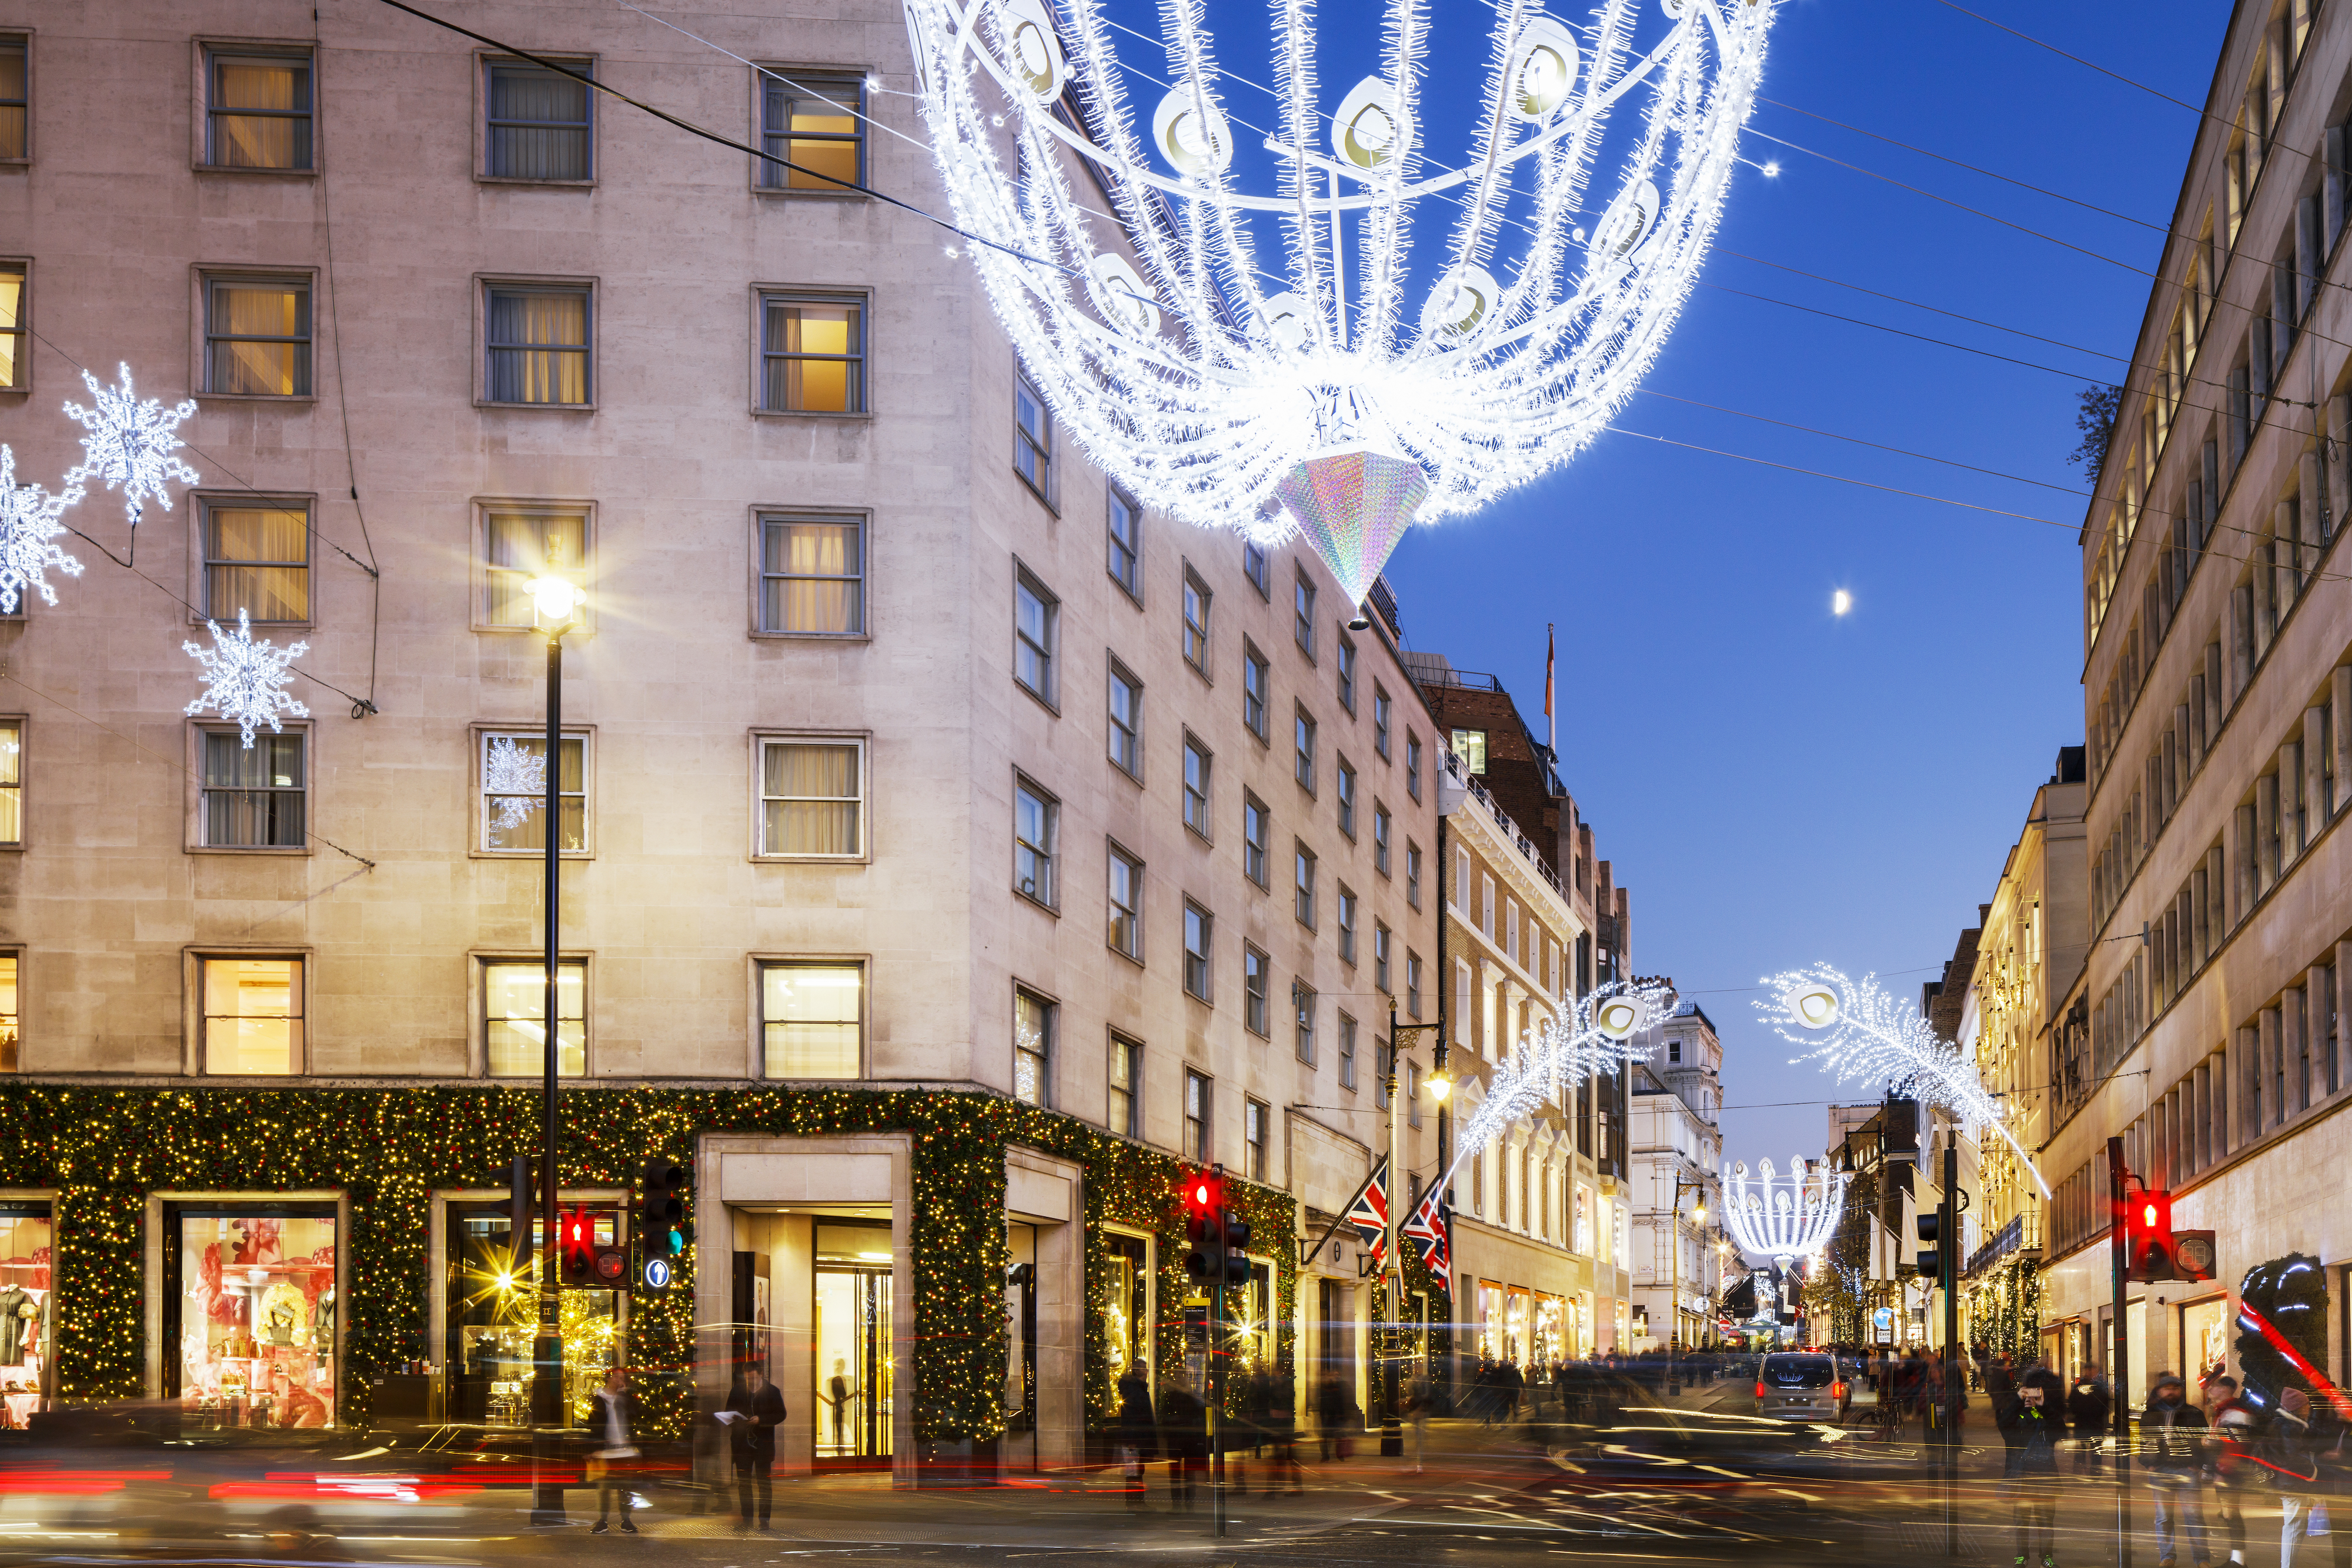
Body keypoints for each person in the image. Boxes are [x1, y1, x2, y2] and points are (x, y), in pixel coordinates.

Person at [2000, 1359, 2066, 1568]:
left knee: (2046, 1521)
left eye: (2035, 1392)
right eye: (2027, 1392)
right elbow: (2003, 1426)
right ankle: (2022, 1557)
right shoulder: (2016, 1415)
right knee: (2022, 1521)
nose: (2031, 1397)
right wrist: (2018, 1401)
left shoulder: (2047, 1416)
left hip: (2045, 1475)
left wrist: (2044, 1407)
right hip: (2021, 1476)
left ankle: (2046, 1557)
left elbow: (2061, 1431)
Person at [2143, 1372, 2212, 1568]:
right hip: (2161, 1470)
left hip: (2187, 1470)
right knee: (2164, 1517)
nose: (2171, 1392)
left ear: (2181, 1390)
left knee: (2194, 1517)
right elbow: (2143, 1442)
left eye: (2175, 1388)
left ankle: (2202, 1560)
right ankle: (2167, 1557)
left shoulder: (2193, 1413)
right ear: (2159, 1391)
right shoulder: (2151, 1415)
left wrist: (2198, 1464)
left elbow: (2204, 1441)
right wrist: (2149, 1463)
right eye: (2167, 1388)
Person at [2269, 1387, 2327, 1568]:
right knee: (2294, 1528)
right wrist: (2313, 1473)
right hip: (2292, 1483)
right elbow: (2292, 1459)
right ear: (2297, 1407)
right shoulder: (2290, 1428)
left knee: (2295, 1527)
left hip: (2288, 1482)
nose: (2308, 1407)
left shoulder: (2288, 1424)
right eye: (2305, 1404)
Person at [724, 1365, 787, 1531]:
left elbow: (781, 1414)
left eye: (753, 1378)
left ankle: (764, 1520)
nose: (750, 1381)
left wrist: (761, 1419)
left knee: (764, 1482)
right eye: (747, 1378)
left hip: (763, 1444)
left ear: (760, 1375)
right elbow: (728, 1414)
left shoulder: (772, 1391)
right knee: (744, 1483)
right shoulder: (737, 1391)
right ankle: (747, 1519)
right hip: (741, 1443)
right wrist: (739, 1420)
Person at [2206, 1374, 2257, 1566]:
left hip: (2230, 1472)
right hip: (2226, 1470)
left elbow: (2236, 1445)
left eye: (2214, 1387)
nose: (2210, 1390)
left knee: (2231, 1515)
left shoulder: (2233, 1411)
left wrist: (2223, 1472)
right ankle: (2236, 1557)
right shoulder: (2223, 1410)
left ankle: (2238, 1561)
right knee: (2229, 1514)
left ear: (2225, 1390)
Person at [590, 1366, 642, 1534]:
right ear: (609, 1378)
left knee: (625, 1487)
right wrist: (593, 1449)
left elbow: (636, 1417)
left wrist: (624, 1397)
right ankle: (603, 1520)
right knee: (604, 1488)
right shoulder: (599, 1398)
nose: (619, 1381)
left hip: (625, 1451)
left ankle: (626, 1520)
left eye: (622, 1378)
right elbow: (594, 1425)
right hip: (606, 1451)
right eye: (616, 1377)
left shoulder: (626, 1399)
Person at [1114, 1368, 1158, 1510]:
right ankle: (1134, 1502)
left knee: (1136, 1470)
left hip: (1138, 1438)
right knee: (1134, 1470)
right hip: (1136, 1439)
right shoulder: (1135, 1391)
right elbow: (1132, 1416)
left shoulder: (1137, 1389)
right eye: (1144, 1368)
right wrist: (1132, 1440)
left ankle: (1136, 1501)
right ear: (1139, 1372)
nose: (1147, 1371)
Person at [2068, 1364, 2113, 1475]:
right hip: (2087, 1422)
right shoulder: (2093, 1386)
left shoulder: (2091, 1386)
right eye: (2089, 1370)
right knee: (2086, 1451)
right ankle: (2086, 1473)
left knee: (2094, 1451)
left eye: (2093, 1370)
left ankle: (2093, 1474)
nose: (2091, 1373)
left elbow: (2105, 1403)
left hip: (2092, 1423)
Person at [824, 1357, 856, 1454]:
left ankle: (839, 1446)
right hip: (840, 1407)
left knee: (839, 1428)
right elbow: (844, 1394)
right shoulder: (839, 1379)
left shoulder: (833, 1379)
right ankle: (839, 1446)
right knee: (840, 1428)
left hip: (837, 1407)